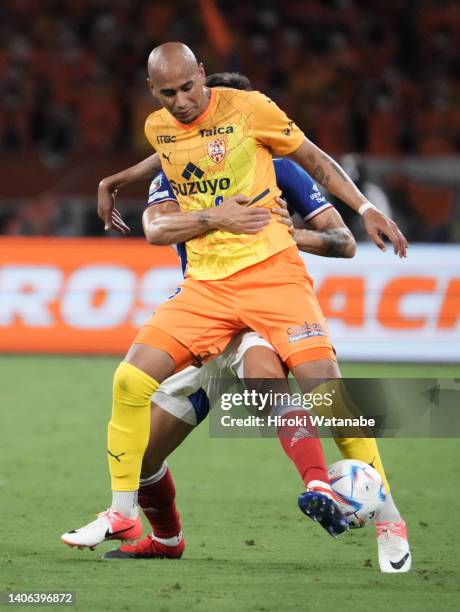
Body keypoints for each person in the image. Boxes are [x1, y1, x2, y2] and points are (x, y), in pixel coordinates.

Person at [62, 42, 408, 553]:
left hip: (267, 291)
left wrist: (358, 209)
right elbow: (160, 192)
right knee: (136, 410)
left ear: (205, 80)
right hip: (204, 295)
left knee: (315, 392)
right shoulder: (165, 134)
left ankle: (381, 517)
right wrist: (117, 180)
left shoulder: (264, 134)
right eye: (168, 93)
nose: (182, 102)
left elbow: (330, 205)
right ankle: (142, 524)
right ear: (153, 93)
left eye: (189, 89)